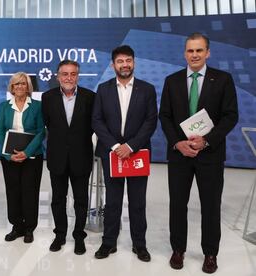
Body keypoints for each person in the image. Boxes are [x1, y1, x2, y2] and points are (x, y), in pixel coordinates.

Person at [159, 33, 238, 274]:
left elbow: (230, 116)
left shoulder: (223, 79)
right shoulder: (171, 81)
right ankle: (178, 249)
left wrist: (206, 141)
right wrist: (177, 143)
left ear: (208, 53)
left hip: (210, 156)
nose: (194, 55)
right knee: (178, 205)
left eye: (199, 50)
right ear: (184, 53)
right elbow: (165, 116)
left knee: (211, 206)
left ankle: (210, 254)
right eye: (190, 51)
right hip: (179, 156)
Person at [92, 45, 157, 261]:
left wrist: (130, 146)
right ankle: (108, 243)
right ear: (113, 65)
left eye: (128, 60)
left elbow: (150, 121)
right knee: (112, 202)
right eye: (120, 61)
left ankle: (140, 245)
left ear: (134, 62)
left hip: (137, 154)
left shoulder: (147, 89)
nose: (125, 64)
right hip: (112, 155)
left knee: (138, 202)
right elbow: (97, 121)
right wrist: (115, 146)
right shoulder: (103, 89)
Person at [41, 60, 95, 255]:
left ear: (78, 76)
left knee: (81, 199)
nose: (69, 78)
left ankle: (79, 236)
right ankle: (60, 234)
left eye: (73, 74)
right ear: (58, 76)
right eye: (65, 74)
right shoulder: (47, 98)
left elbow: (92, 125)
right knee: (58, 199)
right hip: (57, 157)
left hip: (81, 156)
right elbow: (48, 124)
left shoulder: (90, 97)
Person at [0, 72, 45, 243]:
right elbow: (1, 131)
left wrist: (27, 152)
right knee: (13, 192)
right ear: (12, 87)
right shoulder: (4, 106)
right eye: (16, 84)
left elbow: (41, 131)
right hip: (10, 158)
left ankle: (29, 228)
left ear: (28, 87)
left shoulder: (37, 106)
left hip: (32, 157)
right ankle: (17, 226)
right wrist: (8, 155)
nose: (20, 87)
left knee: (30, 192)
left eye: (23, 84)